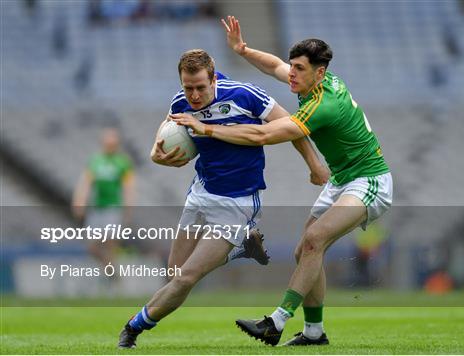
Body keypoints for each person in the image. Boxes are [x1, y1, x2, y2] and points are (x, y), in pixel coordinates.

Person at [173, 17, 393, 346]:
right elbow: (274, 66)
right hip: (342, 180)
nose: (292, 73)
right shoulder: (315, 82)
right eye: (293, 66)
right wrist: (244, 51)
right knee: (304, 251)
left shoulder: (323, 106)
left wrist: (206, 129)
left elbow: (263, 134)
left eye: (299, 68)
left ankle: (276, 321)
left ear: (319, 72)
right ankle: (315, 333)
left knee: (314, 240)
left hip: (369, 179)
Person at [117, 49, 328, 348]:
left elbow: (292, 128)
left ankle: (132, 328)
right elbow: (163, 135)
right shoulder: (181, 100)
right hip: (201, 194)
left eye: (201, 87)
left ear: (214, 78)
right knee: (175, 275)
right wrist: (156, 155)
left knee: (187, 277)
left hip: (237, 202)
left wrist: (315, 165)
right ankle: (241, 248)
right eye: (188, 87)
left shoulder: (244, 95)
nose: (194, 95)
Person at [72, 127, 135, 268]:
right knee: (92, 247)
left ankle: (113, 278)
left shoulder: (123, 162)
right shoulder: (95, 160)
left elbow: (128, 187)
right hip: (97, 208)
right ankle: (111, 270)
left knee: (110, 244)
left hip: (113, 208)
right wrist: (80, 201)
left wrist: (128, 209)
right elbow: (86, 183)